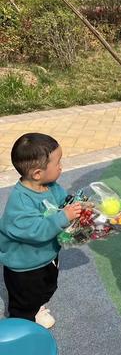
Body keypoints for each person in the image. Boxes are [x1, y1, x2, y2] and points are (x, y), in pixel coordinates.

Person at [0, 133, 81, 328]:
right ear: (37, 173)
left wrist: (73, 205)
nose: (61, 166)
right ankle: (23, 326)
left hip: (46, 256)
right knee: (24, 300)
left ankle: (37, 307)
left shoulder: (50, 186)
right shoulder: (20, 202)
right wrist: (63, 217)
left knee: (46, 288)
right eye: (58, 163)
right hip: (25, 266)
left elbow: (62, 200)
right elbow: (36, 230)